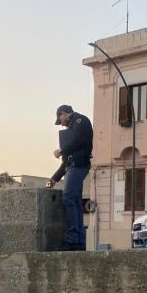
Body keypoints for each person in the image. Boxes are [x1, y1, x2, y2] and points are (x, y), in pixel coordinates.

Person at [46, 104, 93, 251]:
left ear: (64, 114)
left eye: (61, 120)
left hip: (80, 165)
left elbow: (78, 141)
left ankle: (73, 239)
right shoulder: (70, 129)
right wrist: (54, 178)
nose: (62, 124)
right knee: (75, 202)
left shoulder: (81, 121)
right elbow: (66, 163)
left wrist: (61, 150)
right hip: (73, 167)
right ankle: (78, 241)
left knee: (69, 198)